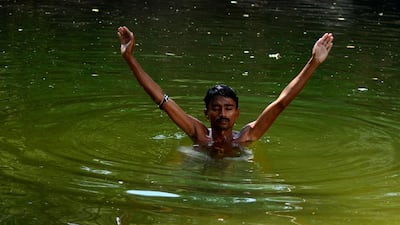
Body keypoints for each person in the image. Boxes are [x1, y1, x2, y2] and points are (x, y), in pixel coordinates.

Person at [118, 26, 334, 158]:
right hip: (199, 176)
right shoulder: (199, 135)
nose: (223, 114)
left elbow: (280, 103)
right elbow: (160, 98)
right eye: (217, 108)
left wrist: (313, 62)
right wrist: (130, 58)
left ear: (237, 113)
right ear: (207, 113)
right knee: (185, 157)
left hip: (238, 180)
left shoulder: (247, 137)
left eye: (228, 108)